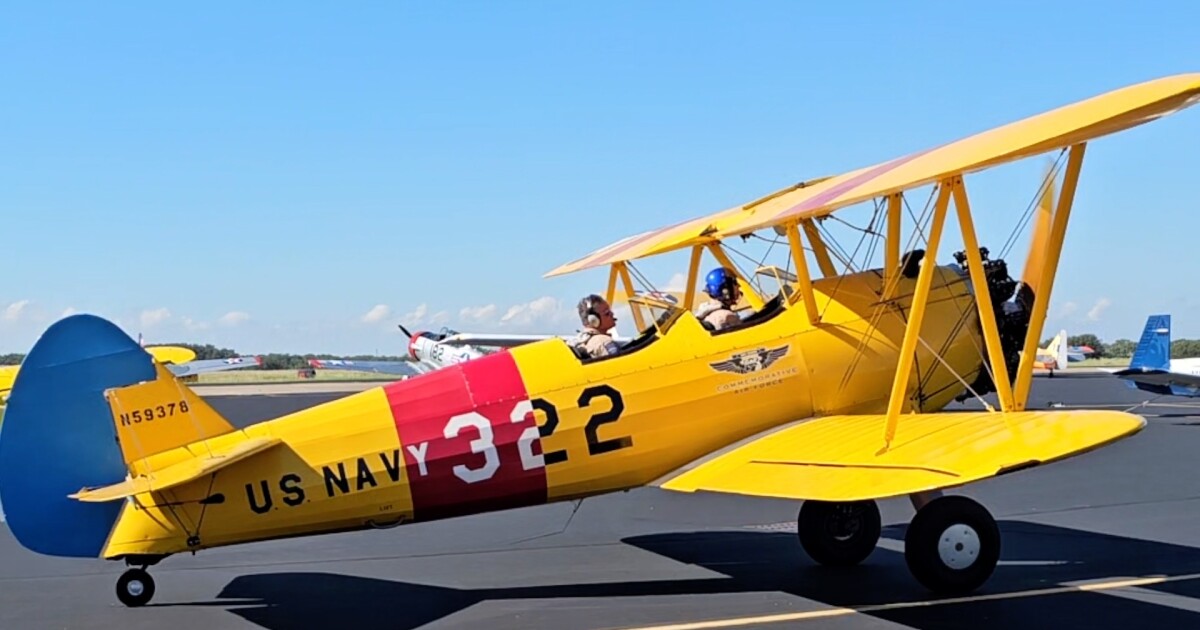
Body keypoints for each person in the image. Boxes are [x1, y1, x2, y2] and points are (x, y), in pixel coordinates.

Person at [573, 294, 621, 358]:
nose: (612, 314)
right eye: (607, 313)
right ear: (594, 320)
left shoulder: (582, 341)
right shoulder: (604, 341)